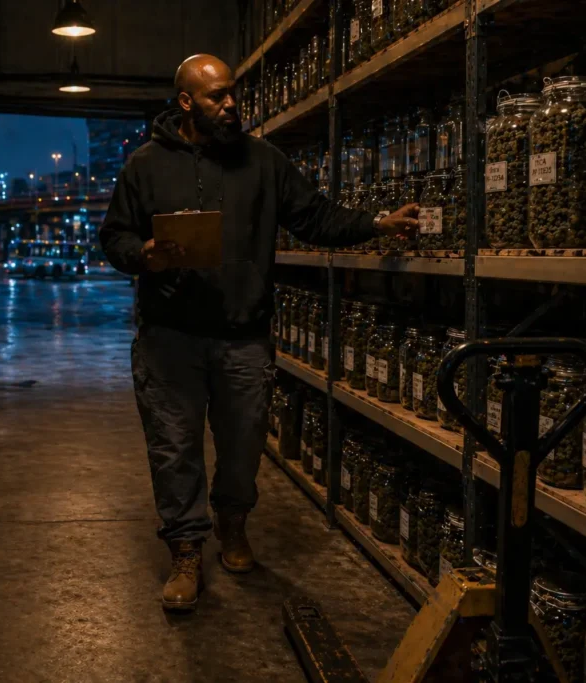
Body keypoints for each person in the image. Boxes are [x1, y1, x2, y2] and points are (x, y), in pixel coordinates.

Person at [98, 54, 419, 613]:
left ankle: (233, 521)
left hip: (243, 335)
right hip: (169, 336)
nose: (230, 105)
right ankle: (186, 550)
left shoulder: (263, 162)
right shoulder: (146, 166)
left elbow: (315, 217)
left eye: (232, 94)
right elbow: (114, 238)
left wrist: (376, 224)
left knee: (244, 446)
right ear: (186, 103)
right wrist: (144, 255)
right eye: (217, 96)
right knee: (174, 450)